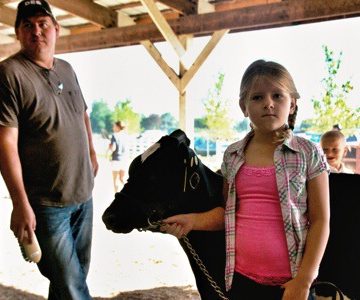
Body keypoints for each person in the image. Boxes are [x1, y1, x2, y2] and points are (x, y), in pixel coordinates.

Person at [161, 60, 330, 300]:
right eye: (257, 97)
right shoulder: (232, 155)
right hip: (241, 281)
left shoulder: (308, 153)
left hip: (292, 286)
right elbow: (227, 214)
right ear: (244, 106)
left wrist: (304, 279)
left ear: (292, 103)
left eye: (277, 96)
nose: (268, 103)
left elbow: (321, 220)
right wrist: (192, 221)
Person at [0, 1, 98, 299]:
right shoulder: (9, 74)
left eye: (43, 23)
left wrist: (92, 153)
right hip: (46, 201)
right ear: (18, 33)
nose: (36, 31)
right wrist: (20, 203)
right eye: (27, 25)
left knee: (71, 279)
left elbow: (82, 113)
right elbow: (5, 142)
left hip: (83, 193)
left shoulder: (67, 69)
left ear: (56, 29)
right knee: (71, 284)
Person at [108, 121, 129, 192]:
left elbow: (113, 148)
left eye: (114, 126)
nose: (113, 128)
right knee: (122, 179)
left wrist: (110, 147)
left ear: (117, 127)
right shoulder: (126, 136)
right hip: (124, 160)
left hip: (116, 159)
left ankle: (116, 198)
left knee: (115, 181)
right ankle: (128, 193)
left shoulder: (114, 135)